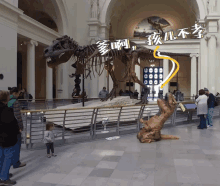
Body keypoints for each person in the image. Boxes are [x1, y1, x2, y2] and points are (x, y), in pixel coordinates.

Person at [0, 90, 20, 185]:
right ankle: (4, 177)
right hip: (6, 138)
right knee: (7, 157)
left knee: (1, 157)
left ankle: (2, 174)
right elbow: (11, 124)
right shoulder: (6, 110)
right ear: (6, 98)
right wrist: (17, 131)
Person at [7, 87, 26, 169]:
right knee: (17, 145)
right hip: (15, 126)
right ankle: (16, 163)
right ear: (15, 93)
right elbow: (18, 116)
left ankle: (10, 162)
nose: (19, 95)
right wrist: (21, 126)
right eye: (18, 93)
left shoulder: (6, 100)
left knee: (9, 146)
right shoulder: (15, 101)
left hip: (7, 126)